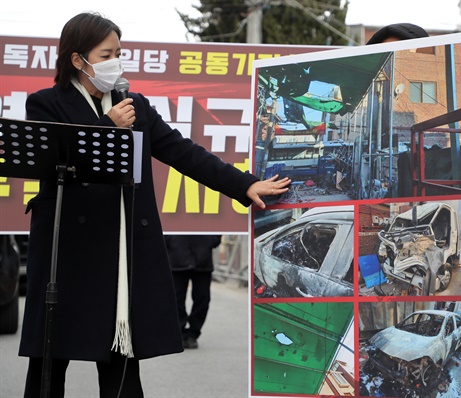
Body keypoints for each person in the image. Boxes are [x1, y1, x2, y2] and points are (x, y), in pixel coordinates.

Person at [19, 12, 290, 397]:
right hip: (68, 254)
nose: (116, 62)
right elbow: (51, 164)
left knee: (121, 360)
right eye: (106, 54)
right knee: (51, 356)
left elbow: (184, 153)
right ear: (77, 60)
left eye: (119, 52)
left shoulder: (135, 105)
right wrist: (107, 129)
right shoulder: (46, 104)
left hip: (121, 252)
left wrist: (243, 185)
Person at [164, 234, 221, 349]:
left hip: (202, 259)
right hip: (177, 257)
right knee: (175, 299)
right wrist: (168, 239)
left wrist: (212, 240)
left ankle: (192, 334)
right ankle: (179, 332)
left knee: (202, 299)